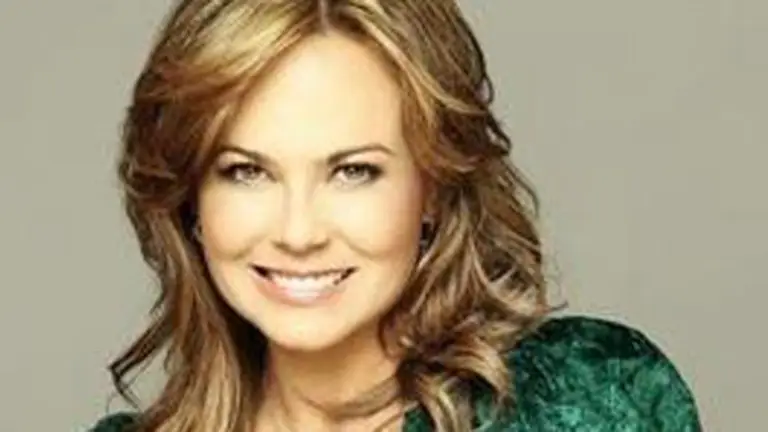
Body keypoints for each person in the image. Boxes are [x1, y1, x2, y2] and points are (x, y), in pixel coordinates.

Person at [89, 0, 701, 431]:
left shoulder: (592, 400)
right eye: (247, 171)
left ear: (432, 186)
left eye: (353, 171)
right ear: (191, 199)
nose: (298, 232)